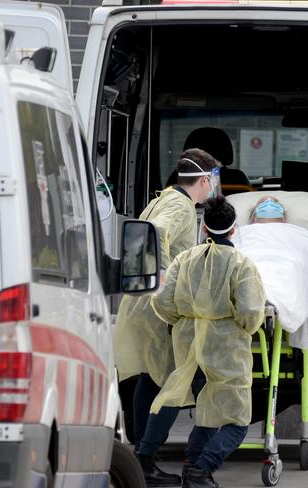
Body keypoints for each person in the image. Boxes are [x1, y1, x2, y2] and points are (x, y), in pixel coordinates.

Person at [114, 148, 219, 486]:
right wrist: (164, 279)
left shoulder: (166, 198)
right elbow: (157, 233)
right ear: (205, 180)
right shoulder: (180, 207)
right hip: (159, 307)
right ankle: (145, 457)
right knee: (175, 383)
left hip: (145, 305)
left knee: (153, 377)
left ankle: (141, 458)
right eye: (213, 181)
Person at [150, 196, 266, 488]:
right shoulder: (241, 264)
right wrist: (242, 327)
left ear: (203, 228)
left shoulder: (185, 259)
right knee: (237, 421)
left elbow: (163, 301)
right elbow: (252, 311)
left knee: (206, 410)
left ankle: (191, 467)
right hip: (226, 347)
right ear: (233, 230)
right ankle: (202, 469)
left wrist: (184, 322)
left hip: (189, 345)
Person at [233, 196, 308, 349]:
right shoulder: (240, 233)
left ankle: (264, 293)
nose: (268, 203)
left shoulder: (302, 235)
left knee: (289, 266)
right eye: (263, 203)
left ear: (285, 220)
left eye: (273, 203)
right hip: (255, 276)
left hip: (257, 285)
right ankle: (269, 294)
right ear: (252, 218)